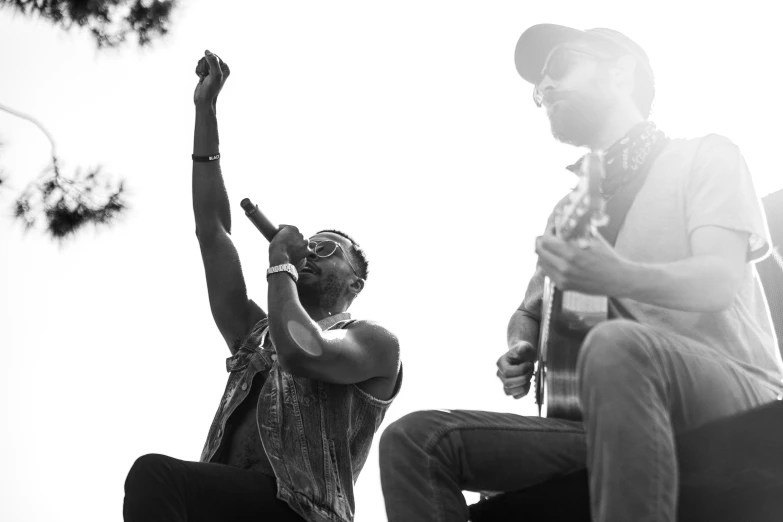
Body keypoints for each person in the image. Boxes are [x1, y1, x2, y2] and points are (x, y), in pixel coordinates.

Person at [378, 24, 783, 522]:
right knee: (415, 440)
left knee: (616, 346)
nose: (544, 87)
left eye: (561, 66)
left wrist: (616, 276)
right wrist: (520, 344)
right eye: (536, 86)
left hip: (731, 394)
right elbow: (529, 311)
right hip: (600, 423)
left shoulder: (706, 155)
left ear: (619, 70)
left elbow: (719, 281)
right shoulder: (566, 212)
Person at [123, 50, 402, 522]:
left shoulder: (374, 342)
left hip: (302, 512)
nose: (311, 250)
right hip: (227, 506)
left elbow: (304, 353)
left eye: (329, 249)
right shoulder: (255, 333)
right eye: (309, 244)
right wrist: (205, 112)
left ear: (355, 282)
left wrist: (280, 265)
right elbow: (213, 230)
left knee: (157, 475)